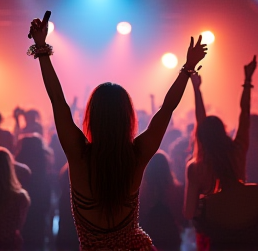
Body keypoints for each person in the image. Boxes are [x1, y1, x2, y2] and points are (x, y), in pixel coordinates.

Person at [27, 15, 207, 250]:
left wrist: (41, 48)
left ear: (92, 116)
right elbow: (167, 108)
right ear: (127, 118)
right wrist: (187, 68)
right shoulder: (137, 155)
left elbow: (58, 102)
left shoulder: (78, 155)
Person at [184, 56, 257, 249]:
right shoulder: (237, 151)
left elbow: (189, 213)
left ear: (200, 138)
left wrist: (197, 89)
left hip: (214, 241)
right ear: (223, 131)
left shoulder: (196, 168)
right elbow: (244, 115)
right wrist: (248, 81)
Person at [139, 151, 185, 251]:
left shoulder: (141, 193)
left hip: (148, 239)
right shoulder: (176, 191)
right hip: (171, 240)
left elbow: (139, 217)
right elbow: (181, 217)